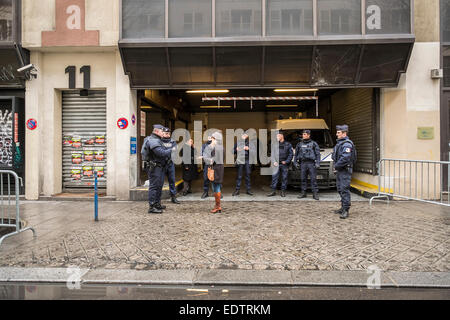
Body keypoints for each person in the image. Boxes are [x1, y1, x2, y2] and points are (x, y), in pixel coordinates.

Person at [141, 124, 175, 214]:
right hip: (154, 167)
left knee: (159, 186)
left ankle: (157, 203)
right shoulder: (152, 140)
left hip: (159, 167)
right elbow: (161, 153)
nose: (163, 133)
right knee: (154, 187)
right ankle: (152, 206)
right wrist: (172, 150)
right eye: (161, 131)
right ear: (156, 131)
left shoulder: (157, 140)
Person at [332, 125, 356, 220]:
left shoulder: (347, 144)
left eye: (338, 133)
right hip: (340, 170)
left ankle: (346, 209)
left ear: (344, 133)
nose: (336, 134)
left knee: (344, 189)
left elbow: (345, 158)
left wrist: (336, 166)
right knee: (339, 188)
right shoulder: (340, 143)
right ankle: (342, 207)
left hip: (344, 170)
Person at [295, 130, 321, 200]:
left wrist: (318, 163)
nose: (303, 135)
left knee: (313, 179)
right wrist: (295, 162)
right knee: (303, 179)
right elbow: (296, 154)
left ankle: (315, 193)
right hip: (303, 163)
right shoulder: (299, 144)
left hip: (311, 163)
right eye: (303, 134)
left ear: (308, 135)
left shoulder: (314, 144)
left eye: (305, 134)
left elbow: (318, 154)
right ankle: (303, 193)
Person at [203, 132, 224, 214]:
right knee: (216, 187)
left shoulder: (215, 148)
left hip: (215, 170)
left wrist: (205, 158)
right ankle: (217, 206)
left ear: (215, 139)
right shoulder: (221, 147)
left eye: (212, 138)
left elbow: (212, 161)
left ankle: (218, 206)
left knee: (216, 187)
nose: (211, 139)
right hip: (219, 169)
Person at [267, 132, 293, 198]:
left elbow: (291, 154)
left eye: (278, 136)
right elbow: (272, 155)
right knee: (274, 178)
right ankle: (273, 191)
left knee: (284, 178)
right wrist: (274, 161)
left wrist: (286, 161)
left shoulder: (288, 144)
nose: (277, 137)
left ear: (282, 136)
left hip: (284, 164)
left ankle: (283, 191)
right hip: (276, 164)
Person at [232, 131, 255, 196]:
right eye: (243, 135)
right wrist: (236, 150)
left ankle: (248, 190)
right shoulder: (238, 143)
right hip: (240, 160)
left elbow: (254, 152)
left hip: (247, 160)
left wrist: (248, 149)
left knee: (248, 175)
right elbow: (232, 151)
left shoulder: (250, 143)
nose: (244, 136)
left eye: (245, 135)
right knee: (239, 176)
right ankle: (237, 190)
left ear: (247, 136)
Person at [162, 127, 180, 204]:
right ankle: (157, 198)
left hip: (170, 163)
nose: (168, 135)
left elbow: (175, 151)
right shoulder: (159, 141)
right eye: (166, 133)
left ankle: (173, 197)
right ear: (162, 133)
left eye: (169, 133)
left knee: (172, 181)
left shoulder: (173, 141)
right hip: (162, 164)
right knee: (160, 182)